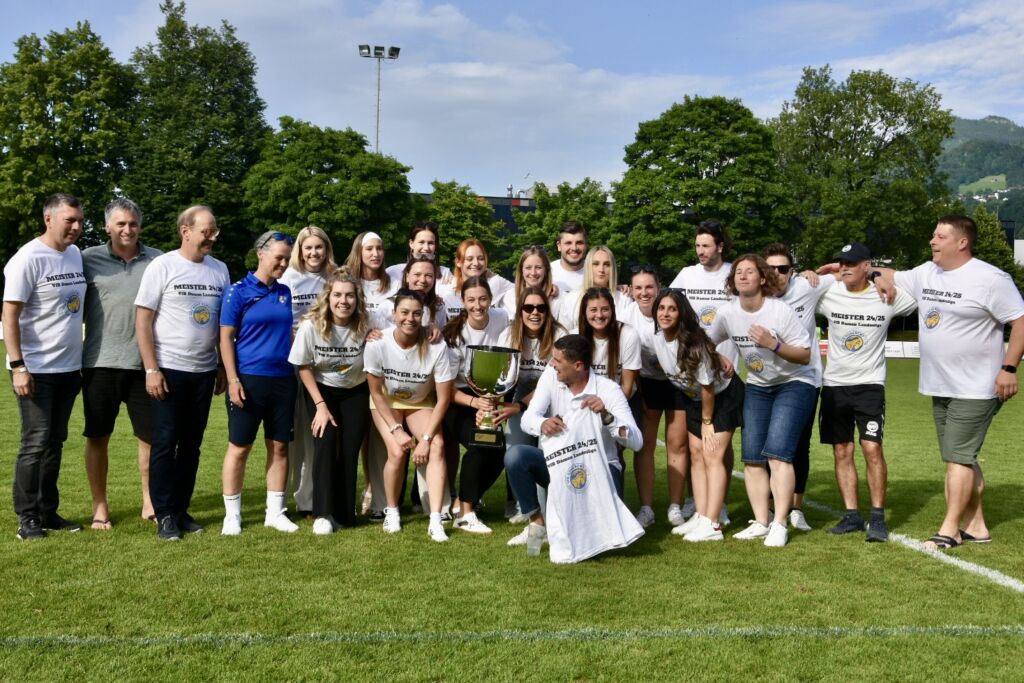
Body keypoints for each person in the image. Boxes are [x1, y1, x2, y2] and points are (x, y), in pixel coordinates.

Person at [882, 216, 1024, 549]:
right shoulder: (926, 272)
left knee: (958, 457)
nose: (932, 241)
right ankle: (977, 526)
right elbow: (887, 273)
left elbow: (1020, 321)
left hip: (977, 387)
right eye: (933, 234)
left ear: (962, 242)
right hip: (940, 384)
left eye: (941, 236)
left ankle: (950, 530)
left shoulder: (991, 279)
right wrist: (874, 276)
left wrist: (1009, 368)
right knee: (959, 456)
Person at [135, 205, 230, 541]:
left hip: (203, 372)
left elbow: (222, 325)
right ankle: (163, 514)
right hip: (168, 370)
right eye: (207, 231)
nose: (213, 237)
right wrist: (151, 369)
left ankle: (180, 509)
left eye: (215, 230)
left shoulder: (220, 270)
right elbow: (142, 322)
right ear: (185, 231)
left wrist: (221, 365)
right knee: (165, 442)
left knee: (192, 445)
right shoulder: (162, 266)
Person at [707, 255, 814, 548]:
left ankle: (780, 523)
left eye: (749, 272)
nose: (742, 276)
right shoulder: (728, 313)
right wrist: (720, 355)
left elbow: (805, 355)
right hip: (758, 386)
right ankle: (761, 522)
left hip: (794, 383)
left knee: (778, 454)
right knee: (753, 458)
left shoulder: (779, 311)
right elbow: (707, 342)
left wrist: (773, 344)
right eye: (738, 272)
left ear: (762, 278)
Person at [815, 242, 916, 542]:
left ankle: (878, 518)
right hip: (834, 385)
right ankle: (852, 516)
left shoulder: (887, 295)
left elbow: (920, 285)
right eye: (842, 262)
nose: (845, 267)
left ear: (866, 265)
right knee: (842, 450)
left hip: (870, 385)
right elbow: (791, 288)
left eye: (851, 263)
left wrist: (877, 276)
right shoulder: (829, 293)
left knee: (872, 449)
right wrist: (821, 273)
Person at [505, 335, 642, 548]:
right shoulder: (550, 377)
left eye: (557, 360)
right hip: (559, 466)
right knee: (516, 457)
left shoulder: (608, 389)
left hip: (601, 472)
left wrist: (608, 417)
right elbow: (528, 419)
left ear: (578, 365)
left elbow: (637, 442)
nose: (552, 364)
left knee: (597, 542)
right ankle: (537, 523)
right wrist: (542, 424)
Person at [4, 193, 87, 540]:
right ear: (48, 219)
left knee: (55, 442)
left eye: (80, 220)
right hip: (36, 368)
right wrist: (18, 366)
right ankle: (27, 518)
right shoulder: (27, 259)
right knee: (35, 443)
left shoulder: (75, 254)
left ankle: (48, 511)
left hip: (68, 368)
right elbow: (9, 315)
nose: (77, 226)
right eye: (70, 220)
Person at [81, 197, 163, 530]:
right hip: (99, 363)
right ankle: (100, 506)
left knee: (150, 438)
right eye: (120, 223)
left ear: (140, 226)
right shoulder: (87, 259)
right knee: (98, 436)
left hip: (145, 365)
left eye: (133, 223)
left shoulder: (158, 260)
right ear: (107, 226)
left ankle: (150, 501)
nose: (127, 229)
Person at [219, 231, 299, 536]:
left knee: (279, 446)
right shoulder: (237, 291)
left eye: (287, 259)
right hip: (249, 379)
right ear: (260, 254)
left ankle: (275, 513)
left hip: (283, 380)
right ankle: (232, 516)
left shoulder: (285, 291)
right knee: (240, 447)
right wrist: (233, 379)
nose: (283, 263)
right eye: (279, 257)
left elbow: (286, 334)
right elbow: (225, 338)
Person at [364, 289, 455, 542]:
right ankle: (392, 511)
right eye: (404, 312)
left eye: (416, 313)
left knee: (437, 445)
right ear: (394, 314)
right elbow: (375, 392)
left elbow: (443, 398)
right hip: (386, 401)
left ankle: (435, 519)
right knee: (396, 451)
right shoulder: (377, 343)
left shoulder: (436, 345)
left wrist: (425, 439)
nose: (410, 318)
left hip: (420, 402)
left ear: (423, 316)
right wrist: (396, 430)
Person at [653, 290, 743, 542]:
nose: (665, 314)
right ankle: (702, 515)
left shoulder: (694, 345)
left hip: (722, 397)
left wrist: (707, 422)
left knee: (712, 455)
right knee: (696, 454)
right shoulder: (657, 339)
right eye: (661, 308)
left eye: (672, 309)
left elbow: (708, 388)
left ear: (681, 313)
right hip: (694, 398)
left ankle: (713, 524)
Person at [289, 271, 372, 534]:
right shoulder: (311, 325)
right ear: (328, 297)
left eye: (349, 295)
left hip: (356, 391)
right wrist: (320, 406)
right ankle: (322, 513)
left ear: (357, 299)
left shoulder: (366, 324)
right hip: (321, 390)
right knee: (325, 443)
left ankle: (344, 513)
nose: (343, 301)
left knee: (349, 449)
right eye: (337, 295)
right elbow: (303, 366)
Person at [668, 218, 738, 524]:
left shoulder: (734, 275)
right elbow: (668, 305)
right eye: (697, 245)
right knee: (694, 441)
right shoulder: (686, 275)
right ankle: (695, 499)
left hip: (725, 371)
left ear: (720, 246)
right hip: (692, 371)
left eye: (706, 246)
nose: (700, 251)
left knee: (721, 443)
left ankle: (720, 503)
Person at [762, 242, 834, 532]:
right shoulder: (755, 294)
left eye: (783, 269)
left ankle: (796, 509)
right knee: (768, 446)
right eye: (771, 269)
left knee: (800, 446)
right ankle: (769, 508)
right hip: (767, 382)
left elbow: (849, 274)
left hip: (805, 379)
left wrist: (821, 270)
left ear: (792, 271)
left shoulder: (806, 287)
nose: (777, 274)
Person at [441, 276, 511, 534]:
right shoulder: (454, 334)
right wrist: (475, 403)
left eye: (483, 299)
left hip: (489, 397)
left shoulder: (502, 318)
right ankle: (466, 513)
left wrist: (490, 402)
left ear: (491, 299)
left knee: (500, 449)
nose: (477, 305)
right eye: (471, 300)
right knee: (479, 442)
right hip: (457, 400)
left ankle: (463, 501)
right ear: (463, 301)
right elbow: (447, 388)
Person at [617, 265, 684, 528]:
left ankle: (675, 506)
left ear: (659, 287)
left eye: (649, 287)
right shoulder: (626, 315)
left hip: (677, 381)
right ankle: (646, 508)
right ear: (631, 290)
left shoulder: (672, 309)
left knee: (677, 444)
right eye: (638, 288)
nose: (644, 293)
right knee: (644, 445)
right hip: (645, 382)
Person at [280, 225, 337, 518]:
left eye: (319, 247)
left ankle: (309, 499)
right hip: (293, 364)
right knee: (291, 435)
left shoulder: (334, 277)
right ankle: (283, 497)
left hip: (325, 365)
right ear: (300, 251)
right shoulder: (287, 278)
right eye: (308, 248)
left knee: (316, 433)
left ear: (327, 249)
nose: (314, 253)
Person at [496, 285, 566, 521]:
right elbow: (502, 378)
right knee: (514, 450)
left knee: (548, 453)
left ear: (547, 311)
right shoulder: (508, 335)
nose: (534, 313)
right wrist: (493, 405)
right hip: (523, 395)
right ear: (520, 311)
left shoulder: (559, 335)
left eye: (541, 308)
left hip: (555, 398)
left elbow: (554, 382)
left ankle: (554, 506)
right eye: (528, 308)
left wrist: (519, 406)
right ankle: (524, 506)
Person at [556, 246, 629, 333]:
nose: (601, 270)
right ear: (588, 267)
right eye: (596, 264)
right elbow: (562, 333)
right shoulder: (571, 299)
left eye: (607, 264)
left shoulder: (624, 299)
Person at [441, 239, 513, 319]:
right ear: (458, 262)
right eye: (469, 259)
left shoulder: (494, 282)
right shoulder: (446, 289)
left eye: (480, 258)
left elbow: (519, 289)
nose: (476, 263)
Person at [345, 230, 396, 325]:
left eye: (379, 248)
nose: (376, 254)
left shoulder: (395, 284)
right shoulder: (347, 284)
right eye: (369, 249)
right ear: (359, 252)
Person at [497, 245, 561, 319]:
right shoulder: (509, 298)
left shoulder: (558, 299)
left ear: (546, 270)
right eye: (528, 268)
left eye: (538, 267)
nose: (533, 273)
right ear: (521, 270)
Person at [384, 221, 453, 283]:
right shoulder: (393, 273)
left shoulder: (445, 274)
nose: (426, 248)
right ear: (411, 243)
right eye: (421, 242)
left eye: (430, 243)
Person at [549, 221, 588, 294]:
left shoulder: (596, 272)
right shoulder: (547, 272)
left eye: (579, 243)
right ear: (559, 246)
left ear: (586, 245)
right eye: (568, 243)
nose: (574, 248)